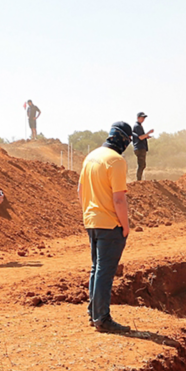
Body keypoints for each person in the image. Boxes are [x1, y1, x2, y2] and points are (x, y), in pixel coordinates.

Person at [78, 122, 132, 332]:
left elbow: (80, 191)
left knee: (96, 269)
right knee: (104, 272)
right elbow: (119, 199)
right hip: (110, 224)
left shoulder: (91, 156)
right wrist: (125, 226)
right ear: (124, 140)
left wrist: (88, 213)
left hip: (92, 221)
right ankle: (102, 318)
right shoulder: (116, 161)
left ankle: (94, 314)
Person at [131, 112, 154, 180]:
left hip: (140, 147)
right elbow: (140, 137)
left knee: (142, 165)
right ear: (138, 118)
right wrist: (148, 133)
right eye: (142, 117)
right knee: (141, 165)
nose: (143, 119)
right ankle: (139, 180)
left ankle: (140, 179)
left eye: (144, 118)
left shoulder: (139, 126)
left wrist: (146, 136)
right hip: (139, 148)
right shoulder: (137, 126)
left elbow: (140, 137)